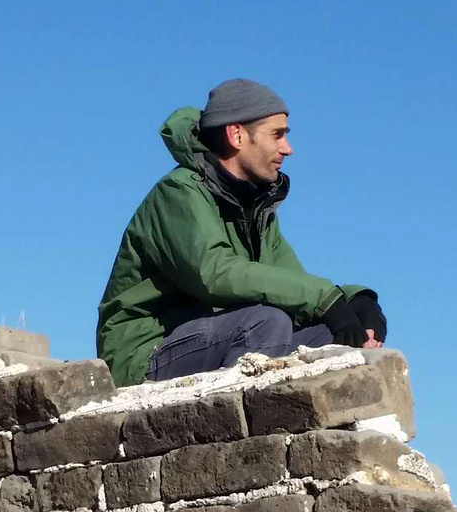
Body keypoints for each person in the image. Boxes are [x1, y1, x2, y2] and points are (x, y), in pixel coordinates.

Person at [97, 78, 387, 387]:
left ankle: (299, 425)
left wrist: (356, 302)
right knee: (264, 322)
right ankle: (238, 423)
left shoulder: (256, 210)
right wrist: (325, 298)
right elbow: (215, 273)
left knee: (335, 336)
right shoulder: (179, 192)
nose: (288, 149)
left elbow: (293, 289)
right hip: (145, 353)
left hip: (214, 339)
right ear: (236, 135)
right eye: (277, 135)